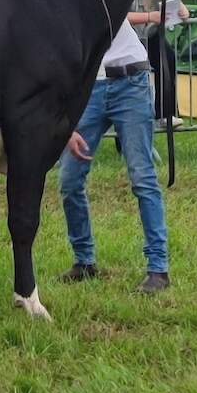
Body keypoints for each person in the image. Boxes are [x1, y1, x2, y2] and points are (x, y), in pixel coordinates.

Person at [59, 17, 170, 293]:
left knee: (142, 176)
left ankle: (159, 269)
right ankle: (84, 262)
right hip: (87, 88)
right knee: (70, 180)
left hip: (129, 80)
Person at [130, 0, 190, 125]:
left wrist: (183, 13)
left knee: (168, 59)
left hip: (151, 34)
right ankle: (126, 124)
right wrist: (150, 17)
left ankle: (165, 114)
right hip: (127, 36)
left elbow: (181, 8)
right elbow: (119, 16)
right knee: (131, 75)